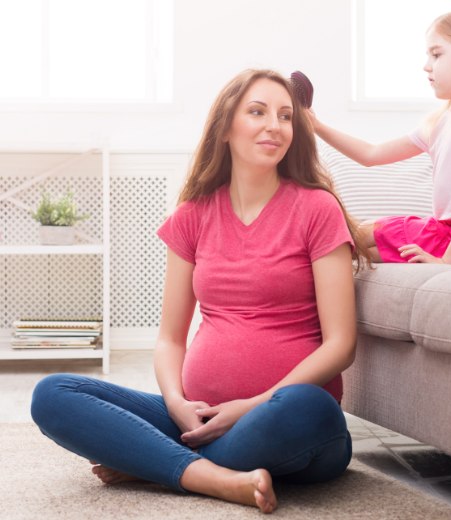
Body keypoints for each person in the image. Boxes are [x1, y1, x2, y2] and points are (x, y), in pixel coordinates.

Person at [31, 69, 370, 514]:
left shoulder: (316, 208)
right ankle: (212, 475)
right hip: (199, 419)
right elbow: (171, 338)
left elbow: (341, 345)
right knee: (54, 393)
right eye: (257, 111)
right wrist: (176, 404)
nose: (275, 125)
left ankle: (157, 464)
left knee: (310, 406)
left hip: (287, 420)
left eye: (286, 116)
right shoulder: (193, 214)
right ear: (226, 126)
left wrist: (248, 407)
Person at [311, 7, 451, 265]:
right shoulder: (441, 122)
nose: (426, 66)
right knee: (363, 237)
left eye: (436, 54)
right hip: (447, 232)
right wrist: (318, 127)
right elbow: (372, 154)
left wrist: (447, 261)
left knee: (364, 236)